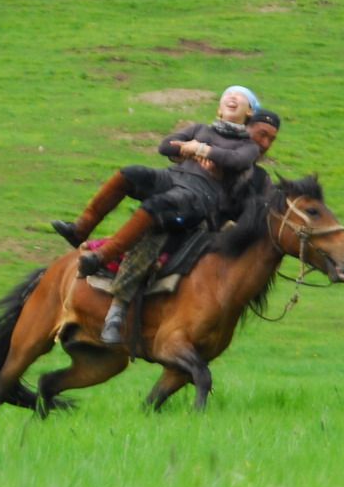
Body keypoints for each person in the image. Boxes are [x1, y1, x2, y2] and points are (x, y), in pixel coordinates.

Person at [52, 86, 262, 343]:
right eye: (228, 94)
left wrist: (200, 150)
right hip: (172, 177)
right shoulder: (199, 130)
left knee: (157, 207)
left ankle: (102, 257)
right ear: (219, 107)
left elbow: (235, 161)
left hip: (201, 196)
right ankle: (81, 228)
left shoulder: (247, 146)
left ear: (249, 111)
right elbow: (165, 146)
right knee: (130, 174)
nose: (233, 97)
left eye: (241, 97)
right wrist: (194, 148)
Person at [100, 108, 282, 344]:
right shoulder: (207, 156)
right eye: (261, 134)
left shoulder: (261, 179)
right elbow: (172, 155)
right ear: (245, 130)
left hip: (217, 237)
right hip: (185, 219)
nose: (266, 143)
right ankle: (118, 309)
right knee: (153, 239)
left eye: (271, 139)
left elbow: (259, 216)